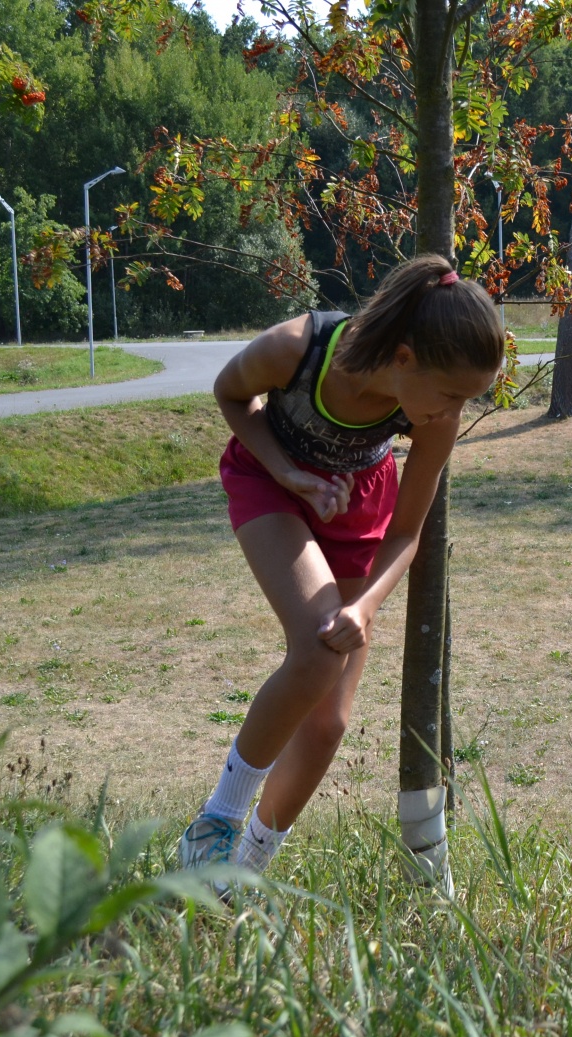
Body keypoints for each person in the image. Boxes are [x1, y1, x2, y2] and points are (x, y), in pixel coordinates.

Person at [177, 256, 505, 881]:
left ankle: (240, 876)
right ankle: (212, 829)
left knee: (328, 722)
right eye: (452, 393)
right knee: (316, 648)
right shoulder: (298, 349)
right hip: (269, 484)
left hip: (358, 508)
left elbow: (407, 531)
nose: (456, 410)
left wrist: (366, 606)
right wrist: (287, 473)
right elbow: (230, 392)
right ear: (404, 358)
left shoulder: (435, 412)